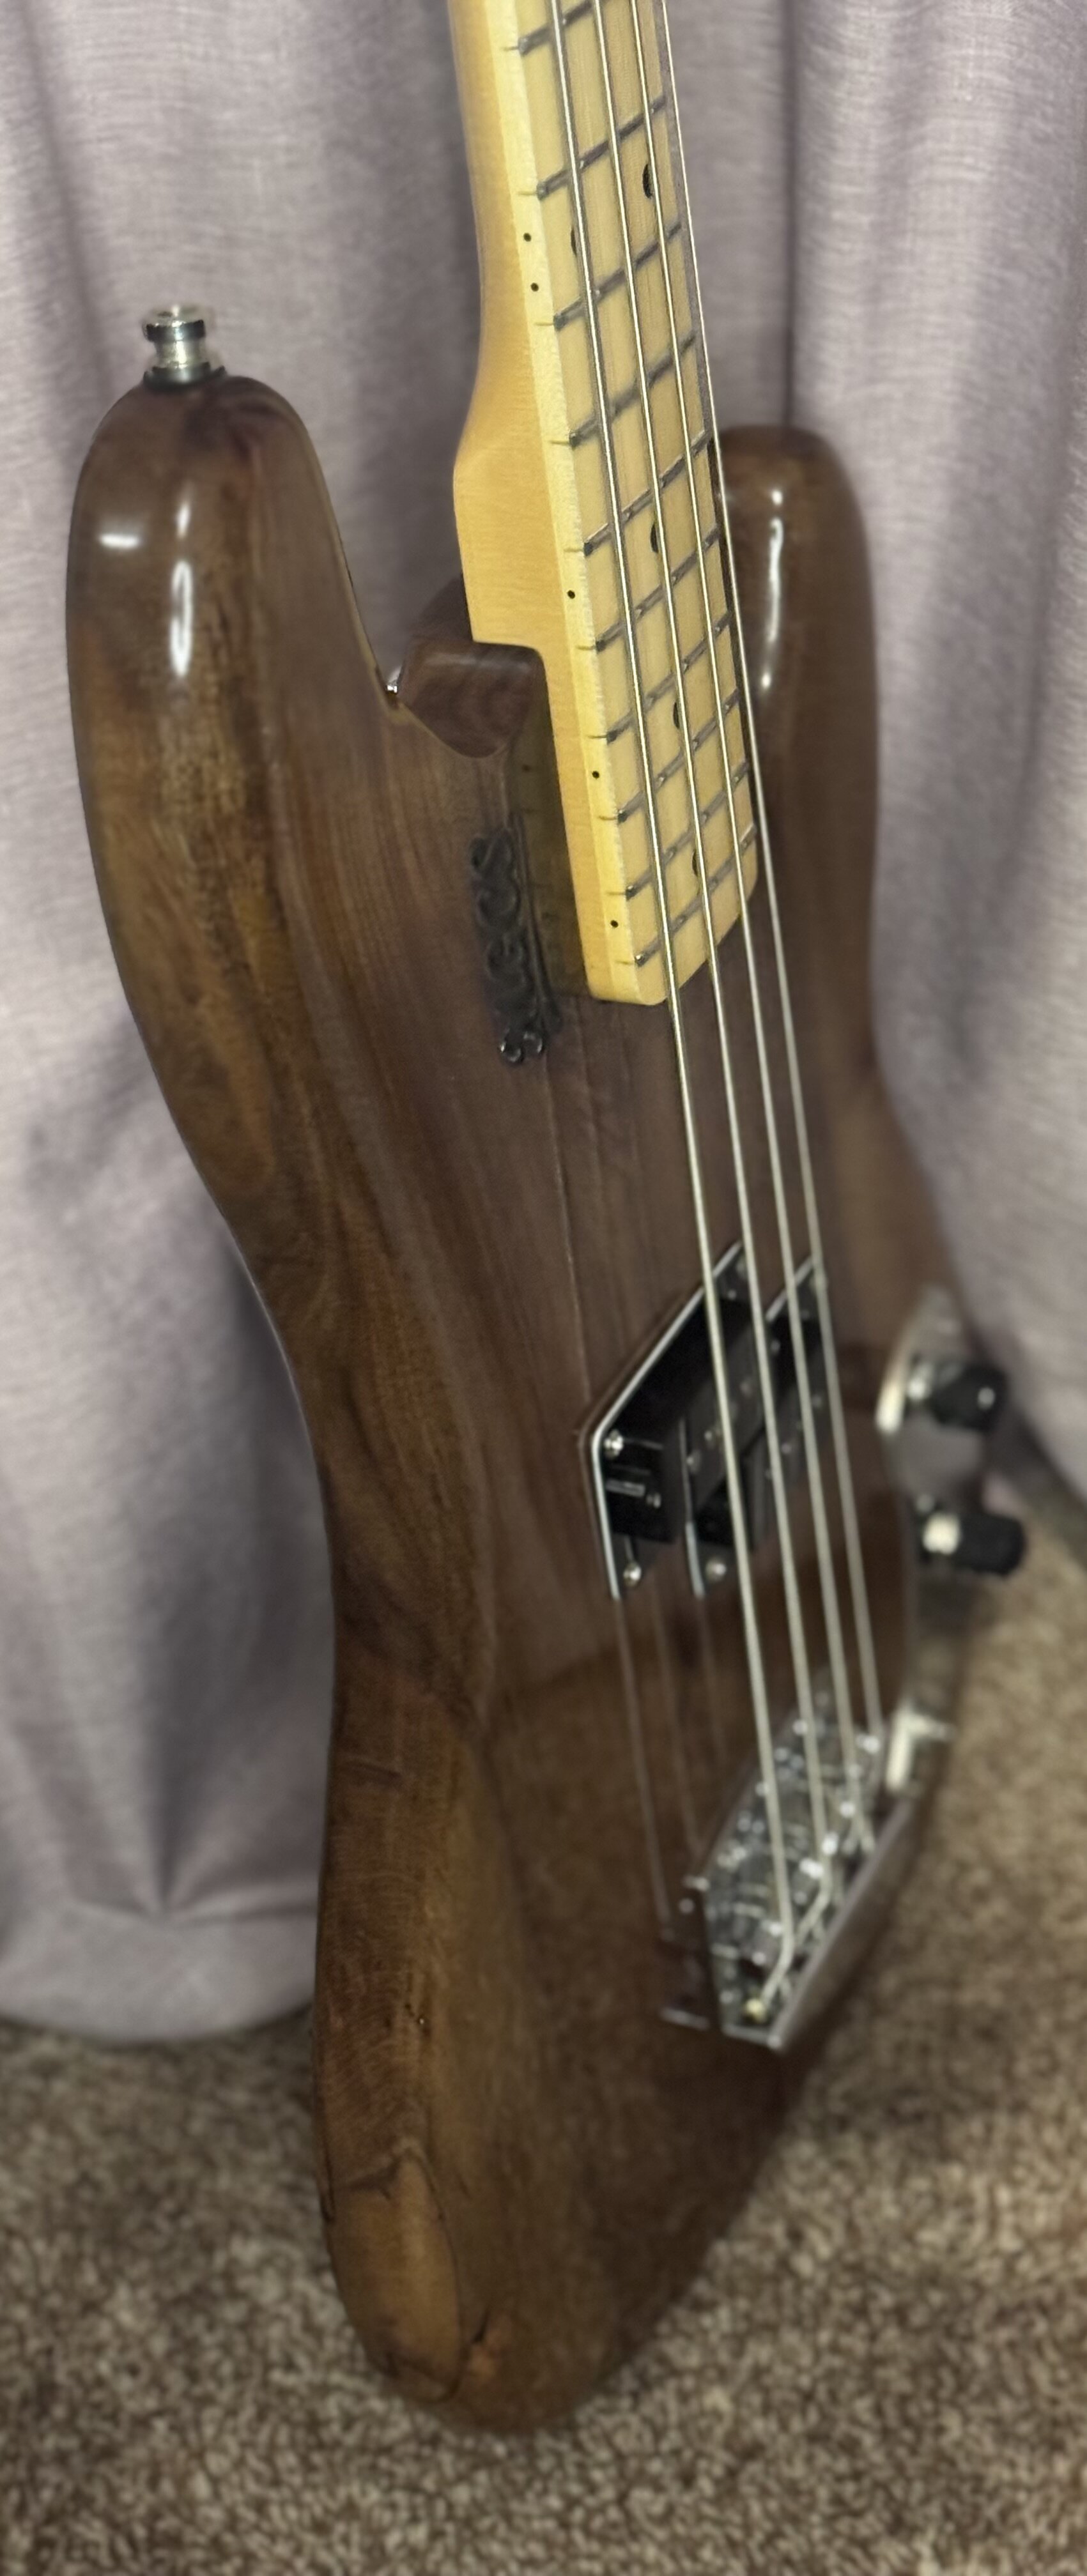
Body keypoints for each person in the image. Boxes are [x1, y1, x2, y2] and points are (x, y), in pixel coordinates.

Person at [2, 0, 1084, 2039]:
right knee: (182, 484)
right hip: (503, 1662)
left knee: (752, 494)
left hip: (781, 1357)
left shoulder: (770, 536)